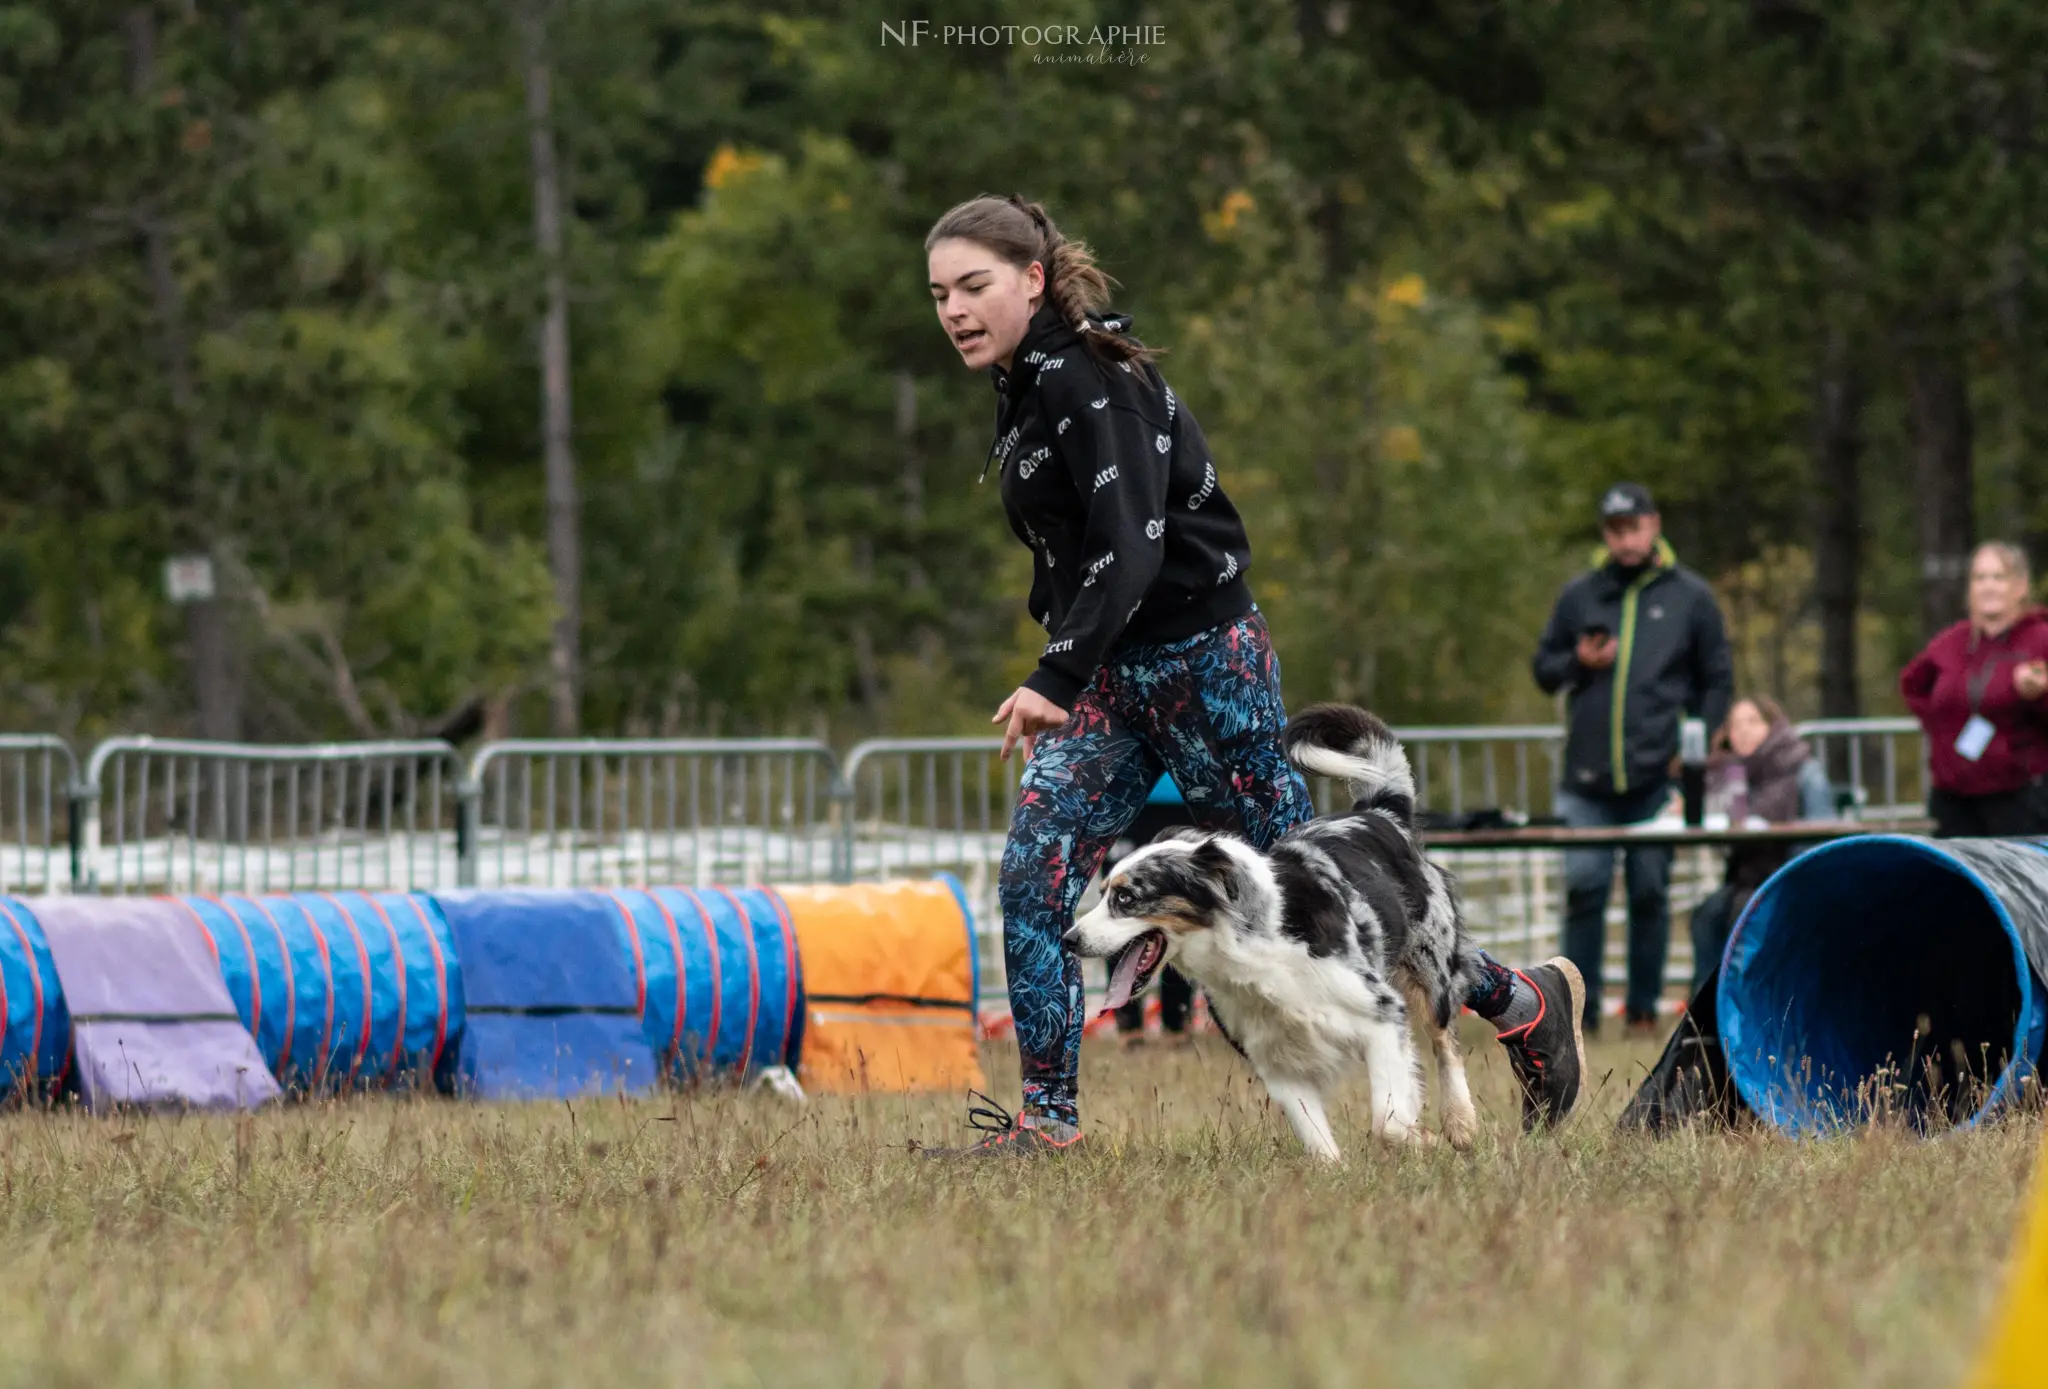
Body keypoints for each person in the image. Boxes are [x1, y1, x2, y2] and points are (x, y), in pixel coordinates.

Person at [922, 193, 1587, 1156]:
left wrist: (1055, 673)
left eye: (973, 286)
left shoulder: (1092, 380)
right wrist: (1075, 661)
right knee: (1034, 870)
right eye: (940, 293)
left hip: (1204, 665)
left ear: (1033, 279)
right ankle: (1047, 1123)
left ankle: (1516, 999)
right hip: (1114, 682)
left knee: (1317, 897)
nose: (953, 310)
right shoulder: (1029, 385)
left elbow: (1134, 542)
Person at [1532, 482, 1734, 1034]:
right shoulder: (1581, 596)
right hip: (1587, 781)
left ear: (1654, 524)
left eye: (1633, 526)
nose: (1625, 538)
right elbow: (1543, 669)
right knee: (1584, 891)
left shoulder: (1692, 597)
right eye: (1614, 529)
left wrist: (1697, 741)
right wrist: (1578, 659)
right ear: (1606, 534)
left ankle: (1643, 1011)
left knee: (1650, 890)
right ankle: (1579, 1013)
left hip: (1656, 778)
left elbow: (1717, 679)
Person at [1686, 695, 1834, 998]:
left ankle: (1745, 1006)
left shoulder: (1804, 771)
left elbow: (1823, 840)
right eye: (1735, 724)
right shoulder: (1727, 777)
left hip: (1791, 879)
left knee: (1744, 913)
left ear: (1773, 725)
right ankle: (1703, 1015)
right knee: (1705, 915)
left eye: (1752, 721)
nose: (1742, 731)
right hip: (1746, 879)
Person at [1900, 542, 2048, 838]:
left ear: (2019, 587)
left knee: (2012, 884)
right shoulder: (1952, 642)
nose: (1988, 586)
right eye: (1980, 578)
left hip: (2017, 795)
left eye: (1998, 577)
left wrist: (2039, 696)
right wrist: (1941, 731)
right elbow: (1912, 684)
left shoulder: (2040, 640)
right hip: (1953, 797)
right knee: (1951, 882)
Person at [1107, 775, 1197, 1040]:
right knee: (1120, 913)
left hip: (1182, 798)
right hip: (1126, 799)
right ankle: (1128, 1024)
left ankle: (1178, 1022)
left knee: (1178, 913)